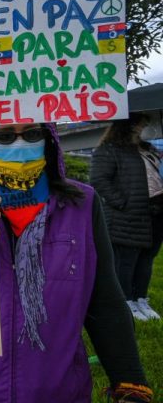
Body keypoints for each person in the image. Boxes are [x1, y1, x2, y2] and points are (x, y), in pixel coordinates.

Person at [0, 123, 151, 402]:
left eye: (32, 134)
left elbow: (104, 299)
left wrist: (130, 383)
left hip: (54, 387)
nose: (20, 146)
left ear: (49, 138)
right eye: (5, 136)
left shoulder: (83, 203)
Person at [90, 113, 163, 321]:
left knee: (146, 259)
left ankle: (141, 298)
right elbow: (99, 180)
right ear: (128, 126)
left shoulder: (148, 150)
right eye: (142, 124)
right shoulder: (109, 150)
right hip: (127, 216)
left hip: (153, 213)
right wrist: (123, 203)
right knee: (125, 262)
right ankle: (126, 300)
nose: (145, 128)